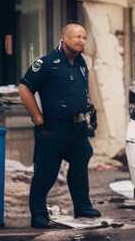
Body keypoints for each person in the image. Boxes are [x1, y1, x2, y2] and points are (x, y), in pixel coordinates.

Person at [18, 23, 100, 229]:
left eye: (84, 37)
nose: (81, 41)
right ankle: (38, 215)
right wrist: (36, 116)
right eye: (77, 37)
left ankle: (82, 206)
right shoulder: (47, 63)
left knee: (80, 164)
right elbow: (24, 87)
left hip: (77, 128)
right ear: (64, 38)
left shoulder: (81, 63)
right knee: (47, 172)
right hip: (53, 128)